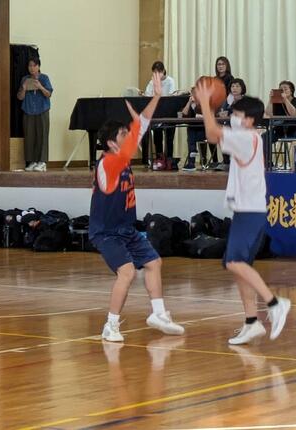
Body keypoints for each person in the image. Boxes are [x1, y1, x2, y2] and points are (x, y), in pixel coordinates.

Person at [89, 71, 184, 342]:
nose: (128, 136)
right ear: (111, 143)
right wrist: (141, 120)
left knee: (154, 262)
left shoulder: (122, 157)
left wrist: (157, 97)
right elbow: (140, 127)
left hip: (126, 228)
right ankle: (111, 325)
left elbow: (142, 125)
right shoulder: (108, 163)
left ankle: (159, 314)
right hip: (106, 232)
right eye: (123, 134)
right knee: (127, 272)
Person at [196, 81, 291, 345]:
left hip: (250, 212)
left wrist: (205, 104)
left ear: (248, 120)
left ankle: (275, 303)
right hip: (247, 211)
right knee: (240, 267)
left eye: (236, 115)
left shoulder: (246, 138)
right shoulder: (249, 138)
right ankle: (251, 322)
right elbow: (216, 133)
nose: (232, 118)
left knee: (234, 262)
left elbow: (212, 133)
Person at [16, 57, 53, 172]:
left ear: (38, 66)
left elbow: (48, 94)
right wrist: (24, 88)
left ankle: (42, 162)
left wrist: (40, 87)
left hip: (42, 110)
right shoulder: (25, 79)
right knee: (30, 137)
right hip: (28, 111)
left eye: (34, 65)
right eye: (30, 66)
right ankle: (32, 161)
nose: (31, 68)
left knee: (42, 136)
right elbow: (20, 97)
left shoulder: (44, 78)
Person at [141, 61, 177, 168]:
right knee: (157, 136)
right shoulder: (152, 82)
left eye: (158, 72)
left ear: (163, 71)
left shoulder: (170, 81)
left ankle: (169, 159)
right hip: (156, 113)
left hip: (169, 113)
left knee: (169, 137)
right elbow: (148, 95)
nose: (156, 75)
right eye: (154, 73)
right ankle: (159, 158)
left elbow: (170, 97)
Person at [213, 78, 248, 171]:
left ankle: (238, 161)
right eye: (232, 86)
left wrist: (230, 114)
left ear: (242, 88)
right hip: (229, 126)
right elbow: (222, 111)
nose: (234, 88)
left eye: (237, 86)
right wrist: (221, 114)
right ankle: (226, 162)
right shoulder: (229, 99)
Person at [181, 86, 206, 171]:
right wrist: (189, 103)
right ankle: (192, 154)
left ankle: (191, 163)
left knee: (192, 135)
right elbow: (184, 114)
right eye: (192, 93)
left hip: (203, 130)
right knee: (191, 129)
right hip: (192, 129)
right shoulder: (190, 103)